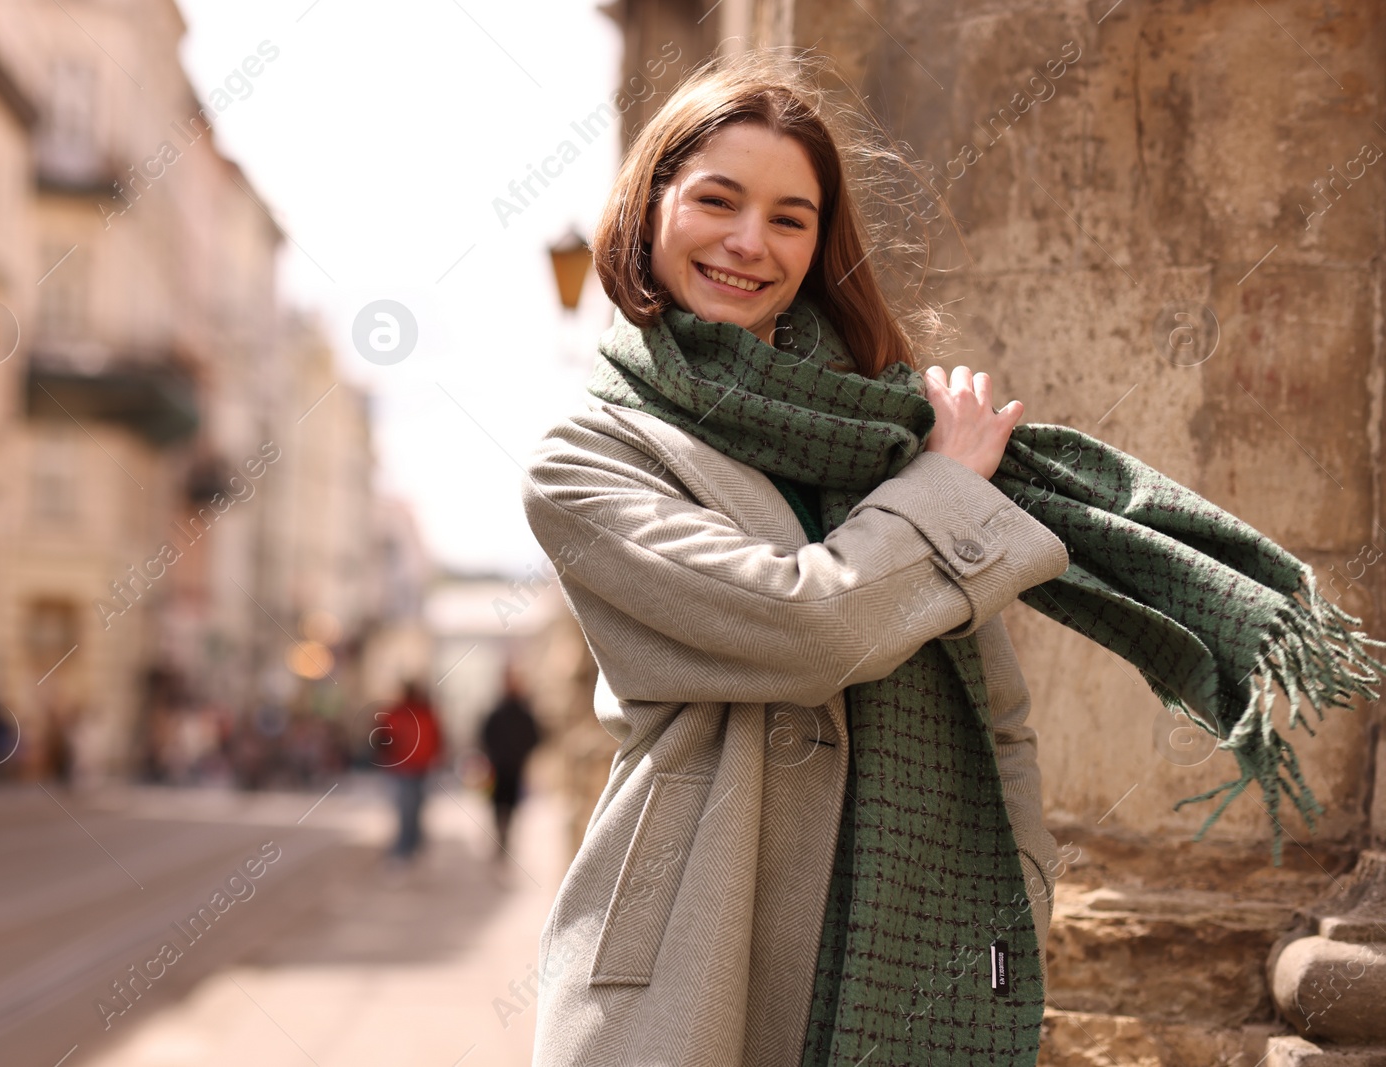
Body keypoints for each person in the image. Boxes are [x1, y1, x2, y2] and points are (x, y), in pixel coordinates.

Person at [518, 51, 1386, 1067]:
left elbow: (995, 706)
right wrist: (945, 489)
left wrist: (1017, 873)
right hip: (697, 938)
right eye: (718, 200)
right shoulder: (589, 457)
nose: (750, 242)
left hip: (912, 928)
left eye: (790, 218)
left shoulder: (874, 425)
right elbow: (806, 626)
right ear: (649, 205)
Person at [372, 680, 442, 861]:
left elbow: (436, 739)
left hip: (417, 767)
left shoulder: (420, 714)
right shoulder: (405, 714)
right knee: (408, 807)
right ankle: (408, 844)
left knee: (413, 806)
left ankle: (412, 843)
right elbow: (384, 737)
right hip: (405, 767)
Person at [477, 666, 541, 858]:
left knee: (511, 805)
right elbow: (485, 735)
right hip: (498, 766)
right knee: (498, 803)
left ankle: (505, 837)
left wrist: (521, 753)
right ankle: (500, 835)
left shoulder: (523, 712)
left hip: (515, 766)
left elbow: (535, 736)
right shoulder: (497, 712)